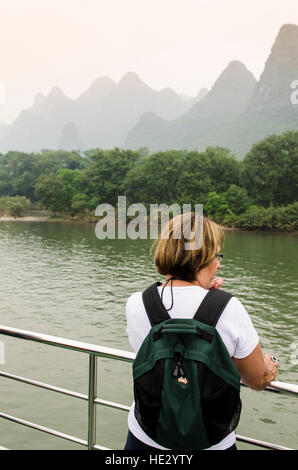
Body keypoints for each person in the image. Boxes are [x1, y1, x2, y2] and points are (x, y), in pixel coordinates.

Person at [125, 213, 278, 450]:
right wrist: (269, 368)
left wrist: (204, 290)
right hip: (210, 442)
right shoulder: (228, 308)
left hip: (145, 436)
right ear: (200, 257)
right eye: (217, 255)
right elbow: (257, 380)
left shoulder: (138, 302)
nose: (219, 263)